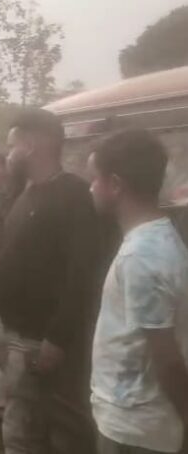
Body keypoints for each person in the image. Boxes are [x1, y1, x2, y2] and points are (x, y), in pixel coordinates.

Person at [0, 109, 102, 453]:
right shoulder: (26, 192)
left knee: (29, 432)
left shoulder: (75, 196)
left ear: (30, 145)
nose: (8, 153)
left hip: (38, 338)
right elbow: (10, 258)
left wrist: (57, 338)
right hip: (12, 331)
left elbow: (81, 274)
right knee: (23, 422)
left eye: (11, 145)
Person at [88, 129, 188, 454]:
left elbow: (166, 358)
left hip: (134, 428)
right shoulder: (155, 239)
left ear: (116, 185)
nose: (91, 187)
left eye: (95, 179)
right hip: (135, 419)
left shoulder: (141, 256)